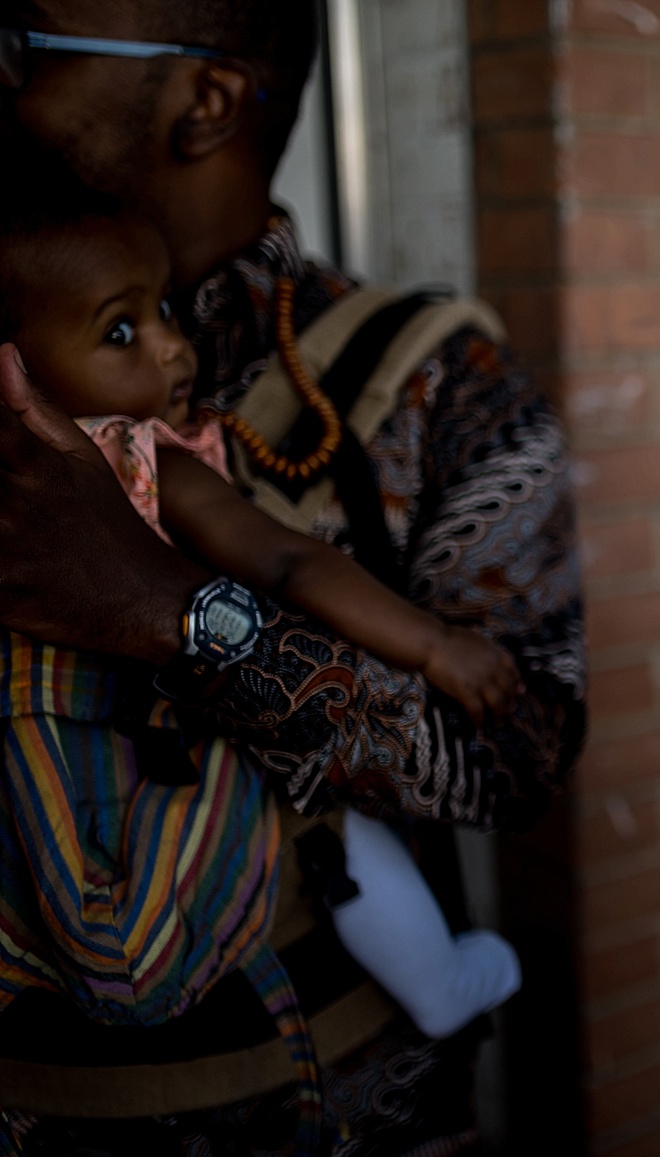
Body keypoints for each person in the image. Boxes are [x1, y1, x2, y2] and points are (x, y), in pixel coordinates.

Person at [0, 1, 584, 1157]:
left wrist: (176, 615)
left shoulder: (432, 380)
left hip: (346, 1116)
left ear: (205, 100)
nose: (4, 82)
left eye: (28, 48)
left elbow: (520, 747)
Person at [0, 178, 525, 1044]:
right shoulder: (136, 457)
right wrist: (434, 647)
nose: (174, 348)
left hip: (42, 799)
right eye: (122, 331)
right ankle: (440, 981)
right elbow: (288, 561)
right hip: (174, 765)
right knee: (337, 830)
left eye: (164, 312)